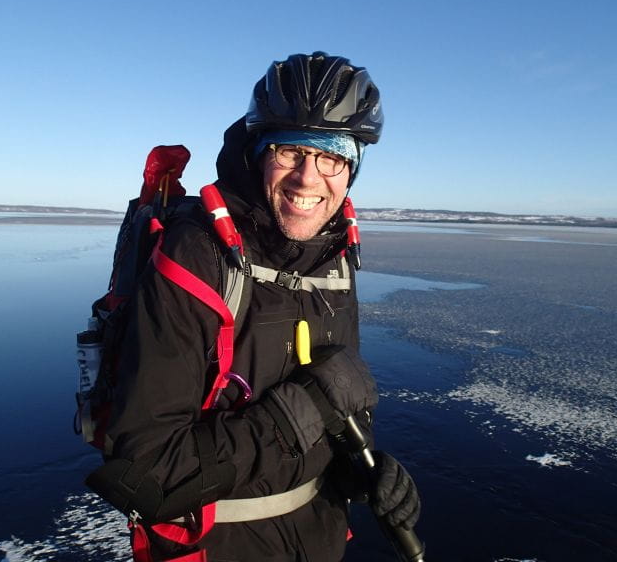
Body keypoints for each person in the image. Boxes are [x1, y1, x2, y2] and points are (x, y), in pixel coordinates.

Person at [98, 52, 420, 561]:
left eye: (332, 156)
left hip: (319, 539)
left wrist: (364, 472)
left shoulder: (335, 260)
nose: (308, 178)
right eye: (290, 151)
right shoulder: (197, 257)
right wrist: (307, 408)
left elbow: (335, 414)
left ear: (353, 168)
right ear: (256, 153)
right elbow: (146, 472)